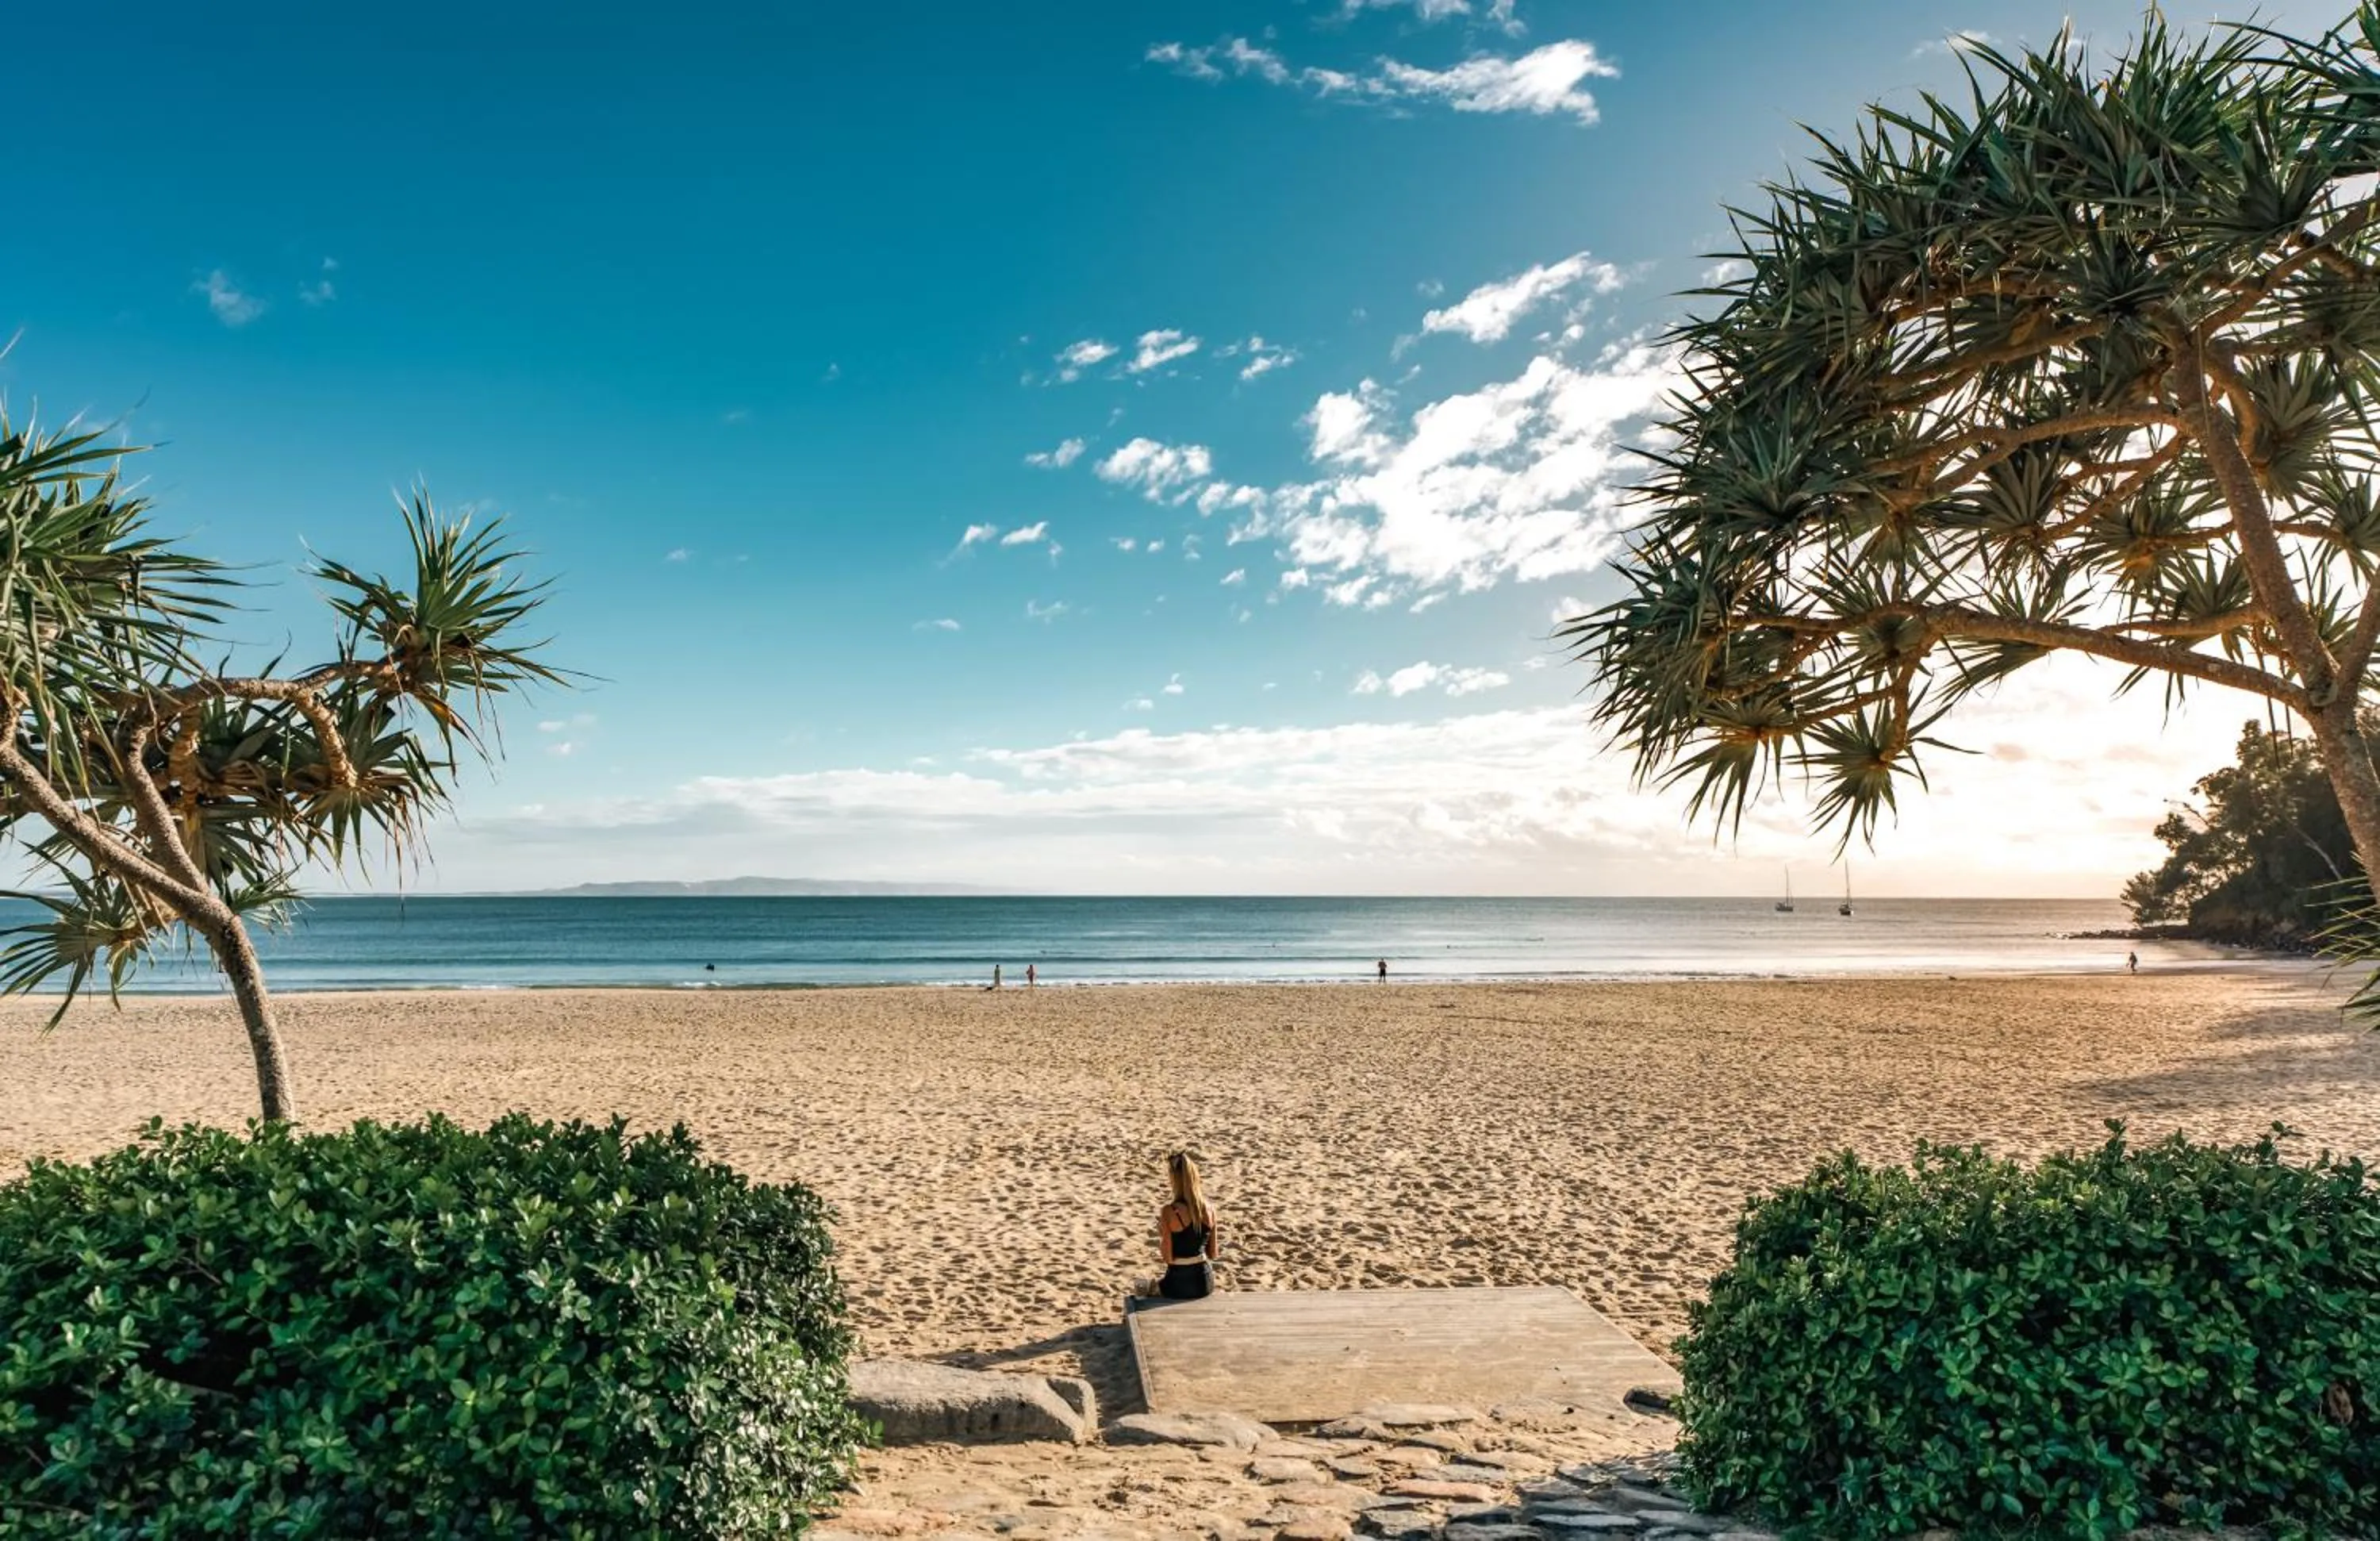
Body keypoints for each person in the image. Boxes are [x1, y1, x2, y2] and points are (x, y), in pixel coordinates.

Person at [1154, 1151, 1220, 1300]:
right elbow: (1213, 1253)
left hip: (1179, 1284)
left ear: (1174, 1180)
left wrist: (1162, 1234)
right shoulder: (1210, 1208)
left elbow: (1168, 1258)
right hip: (1205, 1283)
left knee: (1147, 1289)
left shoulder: (1169, 1211)